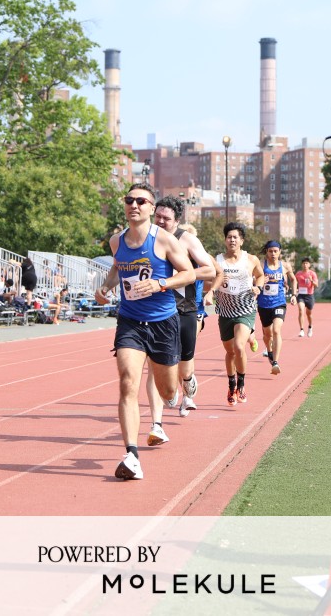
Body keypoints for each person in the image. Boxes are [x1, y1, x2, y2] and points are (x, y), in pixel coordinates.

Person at [95, 182, 196, 480]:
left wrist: (160, 284)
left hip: (164, 322)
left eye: (141, 201)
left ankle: (174, 392)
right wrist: (105, 288)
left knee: (167, 392)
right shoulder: (117, 241)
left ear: (151, 208)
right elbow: (118, 267)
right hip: (130, 321)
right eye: (130, 200)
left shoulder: (164, 240)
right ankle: (131, 455)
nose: (134, 205)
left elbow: (188, 273)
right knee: (128, 382)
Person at [144, 196, 217, 433]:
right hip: (155, 311)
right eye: (157, 216)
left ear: (177, 220)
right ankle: (156, 424)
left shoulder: (186, 239)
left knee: (184, 368)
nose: (160, 221)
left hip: (183, 310)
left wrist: (179, 277)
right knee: (154, 368)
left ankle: (186, 381)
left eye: (166, 218)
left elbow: (210, 270)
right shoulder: (146, 237)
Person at [212, 222, 265, 406]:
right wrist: (217, 281)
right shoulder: (217, 261)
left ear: (241, 241)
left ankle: (241, 384)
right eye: (229, 237)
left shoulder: (251, 259)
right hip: (225, 312)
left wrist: (258, 287)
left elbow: (260, 275)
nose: (232, 240)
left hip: (245, 309)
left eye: (235, 237)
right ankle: (231, 384)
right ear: (225, 240)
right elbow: (207, 283)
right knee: (230, 352)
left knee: (239, 346)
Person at [257, 240, 297, 376]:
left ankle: (275, 362)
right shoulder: (261, 265)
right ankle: (269, 350)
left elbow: (293, 279)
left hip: (279, 303)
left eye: (275, 251)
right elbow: (251, 280)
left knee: (276, 330)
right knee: (267, 334)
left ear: (279, 252)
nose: (273, 254)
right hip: (263, 304)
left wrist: (294, 294)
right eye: (270, 251)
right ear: (267, 252)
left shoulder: (285, 265)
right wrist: (259, 281)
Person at [294, 257, 319, 337]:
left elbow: (316, 285)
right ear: (302, 264)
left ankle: (310, 327)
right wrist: (295, 290)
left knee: (309, 314)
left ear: (309, 265)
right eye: (304, 263)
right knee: (301, 310)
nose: (305, 265)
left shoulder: (312, 273)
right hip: (301, 295)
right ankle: (301, 330)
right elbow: (294, 282)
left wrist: (311, 280)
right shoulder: (298, 274)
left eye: (306, 263)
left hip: (309, 295)